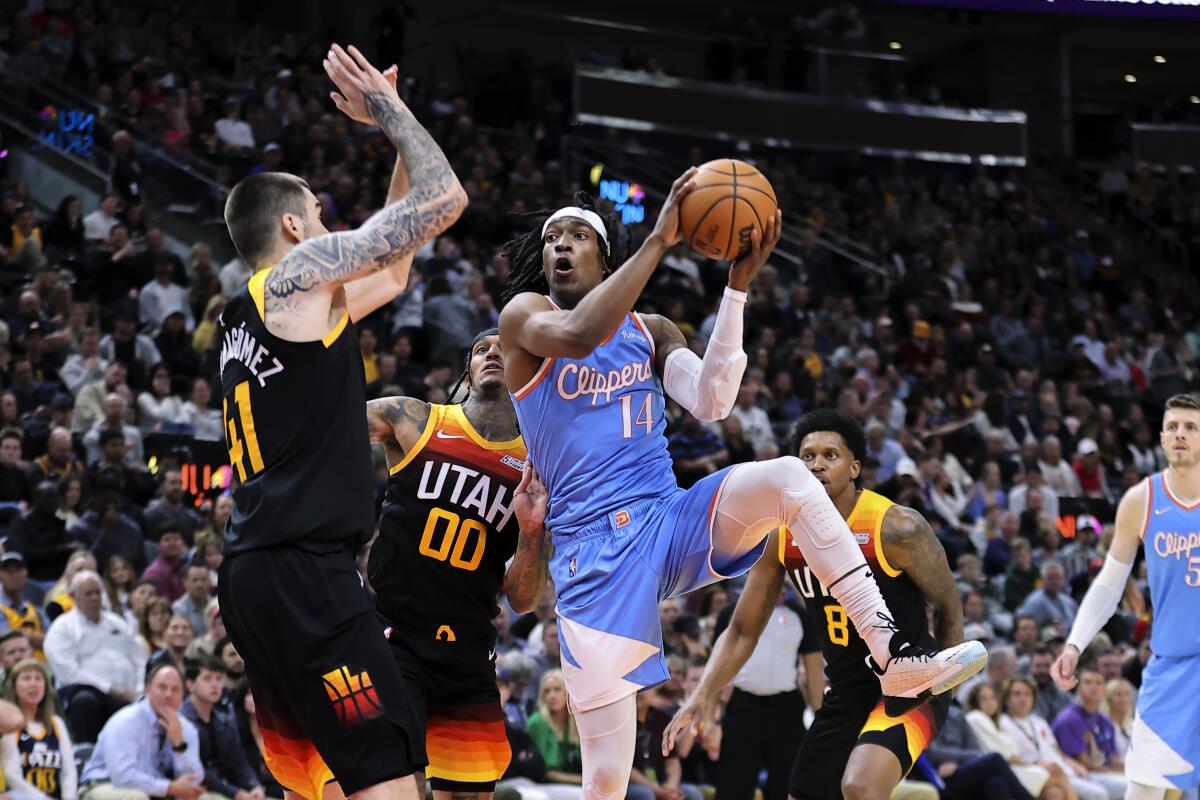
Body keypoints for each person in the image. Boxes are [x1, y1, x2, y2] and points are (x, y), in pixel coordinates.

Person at [498, 185, 984, 797]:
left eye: (576, 236)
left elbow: (713, 399)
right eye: (551, 239)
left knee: (787, 476)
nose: (560, 245)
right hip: (591, 554)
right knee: (605, 782)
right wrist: (659, 239)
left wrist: (736, 289)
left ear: (602, 256)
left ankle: (893, 655)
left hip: (666, 520)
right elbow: (577, 334)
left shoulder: (649, 331)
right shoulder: (524, 315)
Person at [217, 43, 466, 800]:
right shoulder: (299, 275)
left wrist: (391, 142)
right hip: (306, 576)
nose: (332, 226)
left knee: (319, 786)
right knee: (392, 783)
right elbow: (446, 200)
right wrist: (391, 111)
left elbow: (395, 262)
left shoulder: (252, 314)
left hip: (257, 574)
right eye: (322, 215)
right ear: (295, 227)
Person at [665, 410, 975, 800]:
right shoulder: (782, 537)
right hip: (846, 692)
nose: (817, 465)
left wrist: (943, 688)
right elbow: (744, 629)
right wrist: (703, 692)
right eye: (807, 456)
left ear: (854, 468)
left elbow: (948, 605)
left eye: (831, 455)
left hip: (911, 683)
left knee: (860, 787)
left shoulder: (897, 527)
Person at [366, 330, 550, 800]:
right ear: (468, 371)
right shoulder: (414, 420)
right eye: (481, 349)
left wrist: (531, 533)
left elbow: (524, 600)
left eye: (505, 349)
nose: (492, 353)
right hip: (394, 634)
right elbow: (325, 425)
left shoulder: (538, 467)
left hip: (468, 650)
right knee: (395, 784)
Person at [1052, 393, 1200, 800]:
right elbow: (1110, 583)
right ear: (1161, 438)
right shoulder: (1142, 499)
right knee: (1145, 791)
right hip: (1169, 665)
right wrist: (1074, 643)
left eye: (1191, 427)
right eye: (1173, 427)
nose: (1181, 434)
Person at [42, 571, 146, 744]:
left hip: (128, 692)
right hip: (85, 693)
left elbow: (140, 658)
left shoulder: (116, 622)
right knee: (86, 701)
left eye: (98, 592)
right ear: (73, 596)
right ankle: (85, 753)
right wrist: (109, 689)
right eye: (88, 593)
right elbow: (69, 673)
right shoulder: (62, 628)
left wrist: (140, 688)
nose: (94, 598)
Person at [78, 663, 205, 800]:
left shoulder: (186, 728)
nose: (168, 695)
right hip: (103, 786)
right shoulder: (126, 721)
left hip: (153, 790)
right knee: (136, 798)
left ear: (182, 696)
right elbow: (123, 777)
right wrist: (169, 788)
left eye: (175, 690)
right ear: (147, 690)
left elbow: (194, 779)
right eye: (162, 687)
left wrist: (179, 746)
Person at [1000, 676, 1107, 800]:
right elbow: (1010, 758)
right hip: (1041, 774)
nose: (1023, 699)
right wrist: (1038, 764)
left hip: (1066, 770)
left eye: (1028, 694)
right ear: (1006, 699)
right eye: (1017, 694)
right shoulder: (1003, 724)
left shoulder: (1039, 722)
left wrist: (1075, 765)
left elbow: (1056, 750)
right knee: (1098, 794)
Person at [179, 659, 263, 800]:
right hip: (196, 787)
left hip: (228, 786)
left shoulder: (224, 720)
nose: (215, 684)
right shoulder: (182, 720)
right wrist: (235, 793)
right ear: (190, 685)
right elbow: (196, 770)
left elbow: (238, 759)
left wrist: (255, 786)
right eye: (207, 679)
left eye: (218, 679)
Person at [1, 658, 78, 800]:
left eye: (38, 678)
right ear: (14, 687)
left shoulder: (56, 723)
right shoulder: (10, 724)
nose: (33, 684)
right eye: (26, 678)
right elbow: (12, 775)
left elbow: (69, 773)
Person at [1050, 668, 1126, 799]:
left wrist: (1129, 771)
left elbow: (1113, 759)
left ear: (1104, 689)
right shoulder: (1069, 719)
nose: (1094, 687)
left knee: (1147, 783)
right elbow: (1084, 763)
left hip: (1106, 773)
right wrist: (1113, 773)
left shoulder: (1105, 721)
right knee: (1130, 788)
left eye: (1098, 683)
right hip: (1083, 774)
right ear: (1078, 688)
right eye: (1088, 682)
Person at [525, 671, 582, 791]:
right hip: (543, 784)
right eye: (547, 691)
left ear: (568, 692)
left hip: (573, 782)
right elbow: (544, 772)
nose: (552, 695)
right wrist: (581, 781)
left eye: (557, 689)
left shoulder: (576, 720)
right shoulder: (537, 722)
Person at [171, 566, 209, 637]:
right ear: (185, 583)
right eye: (194, 580)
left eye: (203, 580)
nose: (200, 585)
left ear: (209, 581)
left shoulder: (215, 605)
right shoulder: (178, 608)